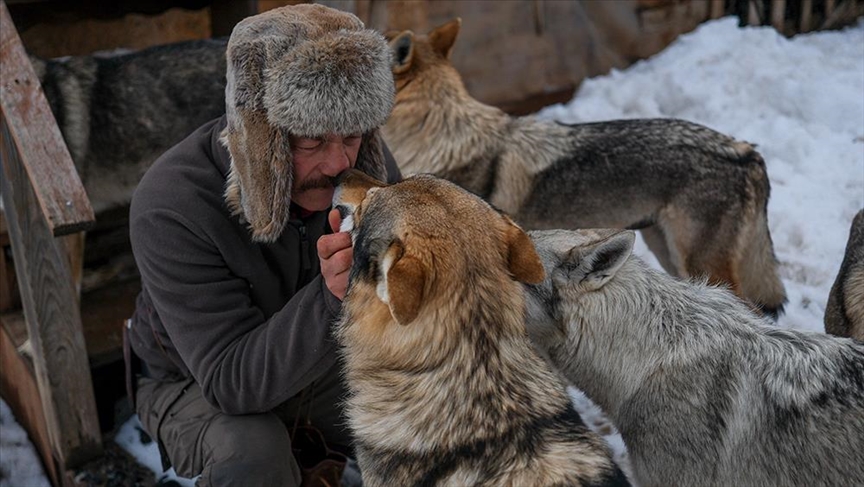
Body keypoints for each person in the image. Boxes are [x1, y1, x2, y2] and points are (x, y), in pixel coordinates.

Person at [124, 4, 400, 486]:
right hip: (196, 381)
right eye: (311, 140)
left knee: (432, 404)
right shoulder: (172, 204)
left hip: (321, 357)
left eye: (352, 133)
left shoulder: (360, 163)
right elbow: (231, 383)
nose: (339, 162)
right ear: (261, 140)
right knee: (252, 454)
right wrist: (333, 295)